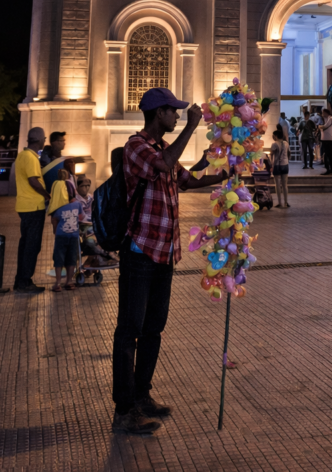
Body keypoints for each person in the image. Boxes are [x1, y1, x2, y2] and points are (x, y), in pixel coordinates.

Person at [112, 87, 225, 436]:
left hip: (164, 255)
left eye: (180, 113)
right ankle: (124, 409)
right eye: (173, 112)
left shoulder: (162, 149)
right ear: (158, 113)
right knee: (128, 330)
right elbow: (162, 165)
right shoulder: (137, 147)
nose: (177, 116)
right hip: (140, 252)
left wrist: (223, 173)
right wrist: (192, 127)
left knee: (153, 329)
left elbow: (187, 181)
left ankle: (143, 395)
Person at [14, 127, 51, 293]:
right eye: (44, 138)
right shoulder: (30, 157)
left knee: (25, 244)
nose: (45, 141)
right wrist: (46, 195)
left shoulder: (22, 155)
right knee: (32, 246)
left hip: (24, 206)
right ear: (38, 140)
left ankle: (20, 280)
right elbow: (33, 180)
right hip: (33, 206)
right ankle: (25, 281)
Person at [49, 170, 82, 292]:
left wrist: (55, 231)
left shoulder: (58, 207)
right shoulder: (77, 205)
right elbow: (81, 217)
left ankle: (58, 282)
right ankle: (69, 281)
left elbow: (54, 220)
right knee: (72, 258)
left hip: (61, 236)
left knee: (59, 258)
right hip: (74, 236)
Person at [270, 128, 290, 208]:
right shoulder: (286, 143)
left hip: (277, 165)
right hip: (285, 164)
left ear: (276, 136)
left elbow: (272, 155)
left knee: (277, 185)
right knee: (285, 185)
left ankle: (280, 203)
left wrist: (271, 165)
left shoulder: (274, 144)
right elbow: (289, 154)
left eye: (274, 135)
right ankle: (286, 202)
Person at [320, 108, 332, 175]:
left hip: (329, 139)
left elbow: (325, 126)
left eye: (323, 112)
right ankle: (330, 169)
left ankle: (330, 169)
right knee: (327, 154)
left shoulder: (331, 118)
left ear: (326, 113)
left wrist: (320, 127)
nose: (322, 114)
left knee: (328, 154)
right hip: (325, 139)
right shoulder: (325, 119)